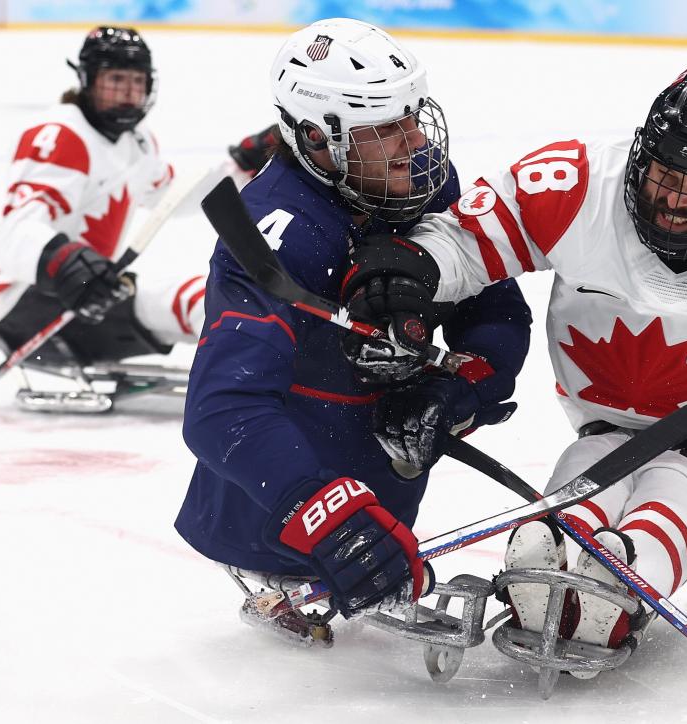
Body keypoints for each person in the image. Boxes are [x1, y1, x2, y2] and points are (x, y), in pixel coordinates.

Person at [341, 61, 687, 674]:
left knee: (671, 496)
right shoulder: (575, 184)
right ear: (640, 153)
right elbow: (464, 241)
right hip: (601, 429)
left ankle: (624, 571)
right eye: (665, 176)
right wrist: (408, 275)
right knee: (569, 508)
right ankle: (554, 555)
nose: (674, 205)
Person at [175, 18, 531, 644]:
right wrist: (327, 517)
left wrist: (463, 386)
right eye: (385, 129)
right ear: (317, 139)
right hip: (278, 517)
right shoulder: (277, 232)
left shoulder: (422, 182)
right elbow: (222, 410)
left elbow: (497, 310)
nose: (416, 140)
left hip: (380, 504)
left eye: (413, 117)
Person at [0, 26, 279, 403]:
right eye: (115, 79)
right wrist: (64, 262)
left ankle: (260, 375)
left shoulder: (135, 141)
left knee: (217, 296)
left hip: (91, 297)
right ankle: (251, 392)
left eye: (137, 81)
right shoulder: (61, 136)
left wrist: (242, 164)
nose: (128, 92)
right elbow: (10, 233)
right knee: (210, 299)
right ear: (87, 80)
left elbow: (174, 196)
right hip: (31, 306)